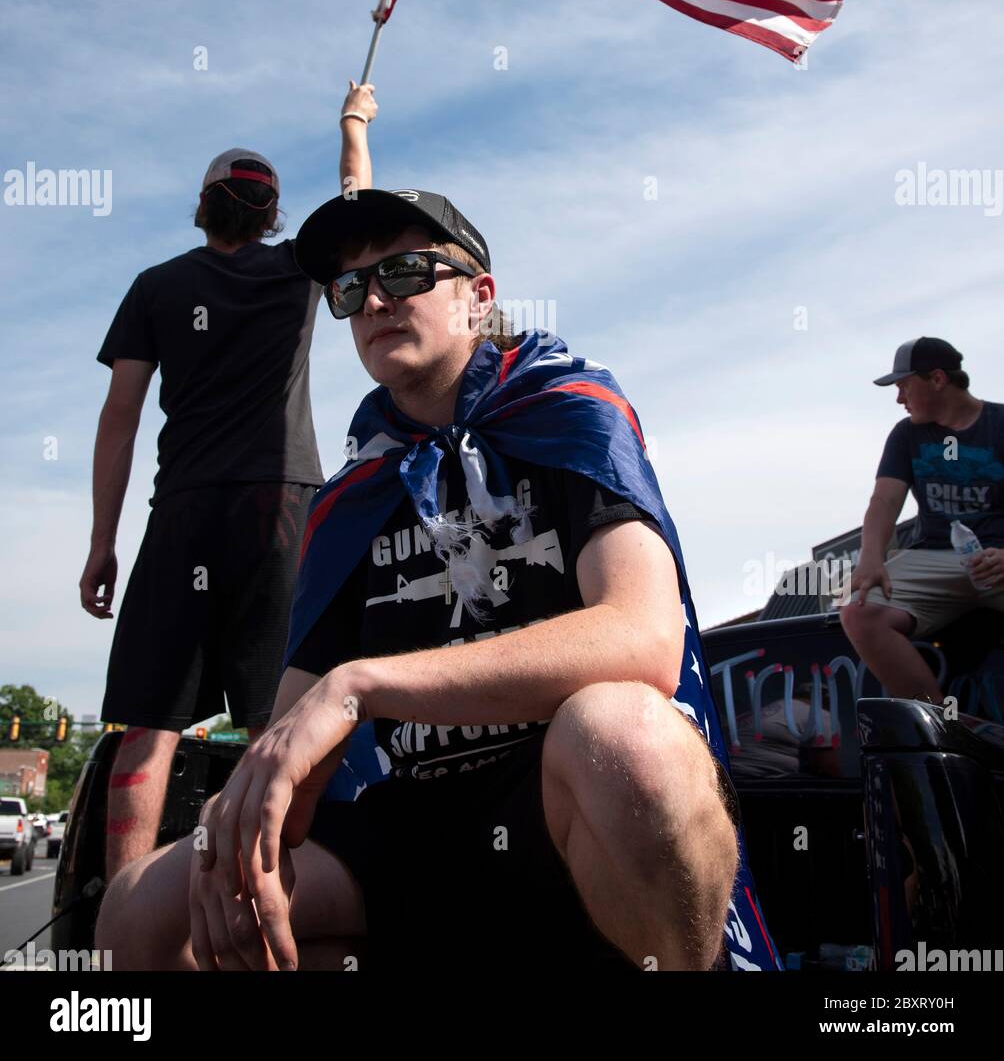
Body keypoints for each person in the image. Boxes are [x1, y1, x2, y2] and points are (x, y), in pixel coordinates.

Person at [96, 188, 779, 971]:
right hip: (405, 826)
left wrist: (366, 685)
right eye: (349, 289)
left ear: (478, 296)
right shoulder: (357, 487)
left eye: (407, 272)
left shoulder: (570, 411)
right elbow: (293, 722)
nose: (374, 300)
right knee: (144, 907)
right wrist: (245, 813)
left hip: (566, 807)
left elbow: (644, 636)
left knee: (624, 735)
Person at [81, 81, 377, 882]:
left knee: (149, 723)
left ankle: (120, 934)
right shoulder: (294, 274)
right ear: (273, 214)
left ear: (203, 208)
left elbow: (120, 418)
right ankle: (263, 910)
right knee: (274, 722)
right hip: (283, 505)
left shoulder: (156, 286)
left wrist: (103, 542)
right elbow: (357, 204)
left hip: (184, 507)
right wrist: (354, 123)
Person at [841, 337, 1004, 701]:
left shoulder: (1000, 424)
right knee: (859, 610)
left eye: (903, 385)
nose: (899, 399)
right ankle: (941, 728)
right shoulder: (907, 435)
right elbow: (883, 500)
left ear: (937, 379)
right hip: (934, 557)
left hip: (999, 558)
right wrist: (870, 558)